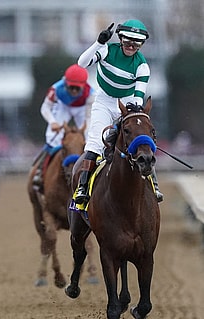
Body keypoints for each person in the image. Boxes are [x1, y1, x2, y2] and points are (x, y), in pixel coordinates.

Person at [74, 19, 163, 205]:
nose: (131, 46)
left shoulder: (142, 66)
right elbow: (81, 64)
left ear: (141, 45)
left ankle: (154, 184)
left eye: (136, 43)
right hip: (104, 102)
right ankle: (82, 188)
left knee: (142, 140)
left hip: (129, 104)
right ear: (120, 39)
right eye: (128, 41)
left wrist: (133, 113)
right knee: (95, 144)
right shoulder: (107, 50)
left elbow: (139, 97)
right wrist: (99, 42)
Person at [31, 64, 95, 190]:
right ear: (65, 82)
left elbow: (88, 118)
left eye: (78, 89)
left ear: (84, 86)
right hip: (63, 106)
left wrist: (86, 133)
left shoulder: (91, 94)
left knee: (90, 139)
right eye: (71, 87)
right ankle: (40, 171)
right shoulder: (55, 90)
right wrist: (52, 122)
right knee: (52, 138)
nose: (74, 92)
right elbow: (45, 108)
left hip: (82, 109)